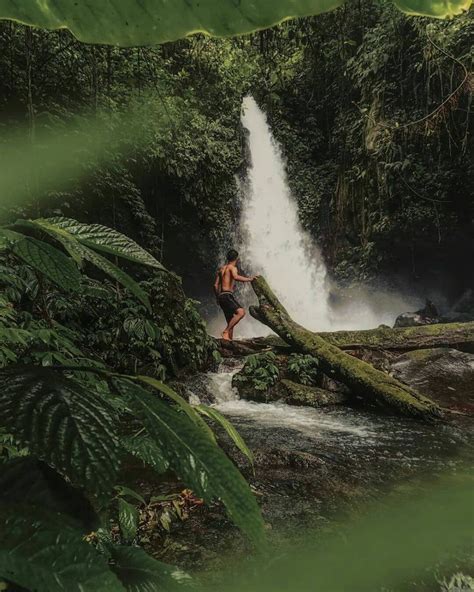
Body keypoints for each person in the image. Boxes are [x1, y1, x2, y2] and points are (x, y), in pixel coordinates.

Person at [214, 249, 256, 341]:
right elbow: (236, 277)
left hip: (221, 296)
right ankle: (225, 331)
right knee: (241, 312)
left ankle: (229, 341)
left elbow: (215, 285)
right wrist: (250, 279)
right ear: (237, 259)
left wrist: (217, 297)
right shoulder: (232, 268)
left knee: (230, 321)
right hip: (227, 295)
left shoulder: (221, 269)